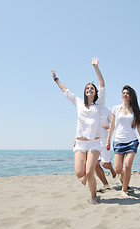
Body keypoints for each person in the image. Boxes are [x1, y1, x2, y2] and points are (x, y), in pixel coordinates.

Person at [52, 57, 105, 205]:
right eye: (87, 88)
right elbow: (66, 91)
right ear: (84, 92)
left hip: (94, 143)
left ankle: (94, 197)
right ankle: (85, 175)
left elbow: (101, 83)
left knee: (89, 173)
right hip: (80, 144)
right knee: (80, 173)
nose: (90, 89)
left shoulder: (99, 104)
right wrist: (56, 79)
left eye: (92, 88)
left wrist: (95, 67)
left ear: (95, 92)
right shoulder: (79, 103)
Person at [106, 85, 140, 198]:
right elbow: (112, 126)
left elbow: (139, 128)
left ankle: (124, 190)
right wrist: (108, 140)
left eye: (128, 93)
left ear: (131, 96)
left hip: (132, 141)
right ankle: (122, 177)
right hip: (118, 141)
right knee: (117, 169)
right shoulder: (115, 108)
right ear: (121, 95)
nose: (125, 94)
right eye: (124, 92)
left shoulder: (135, 110)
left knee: (127, 166)